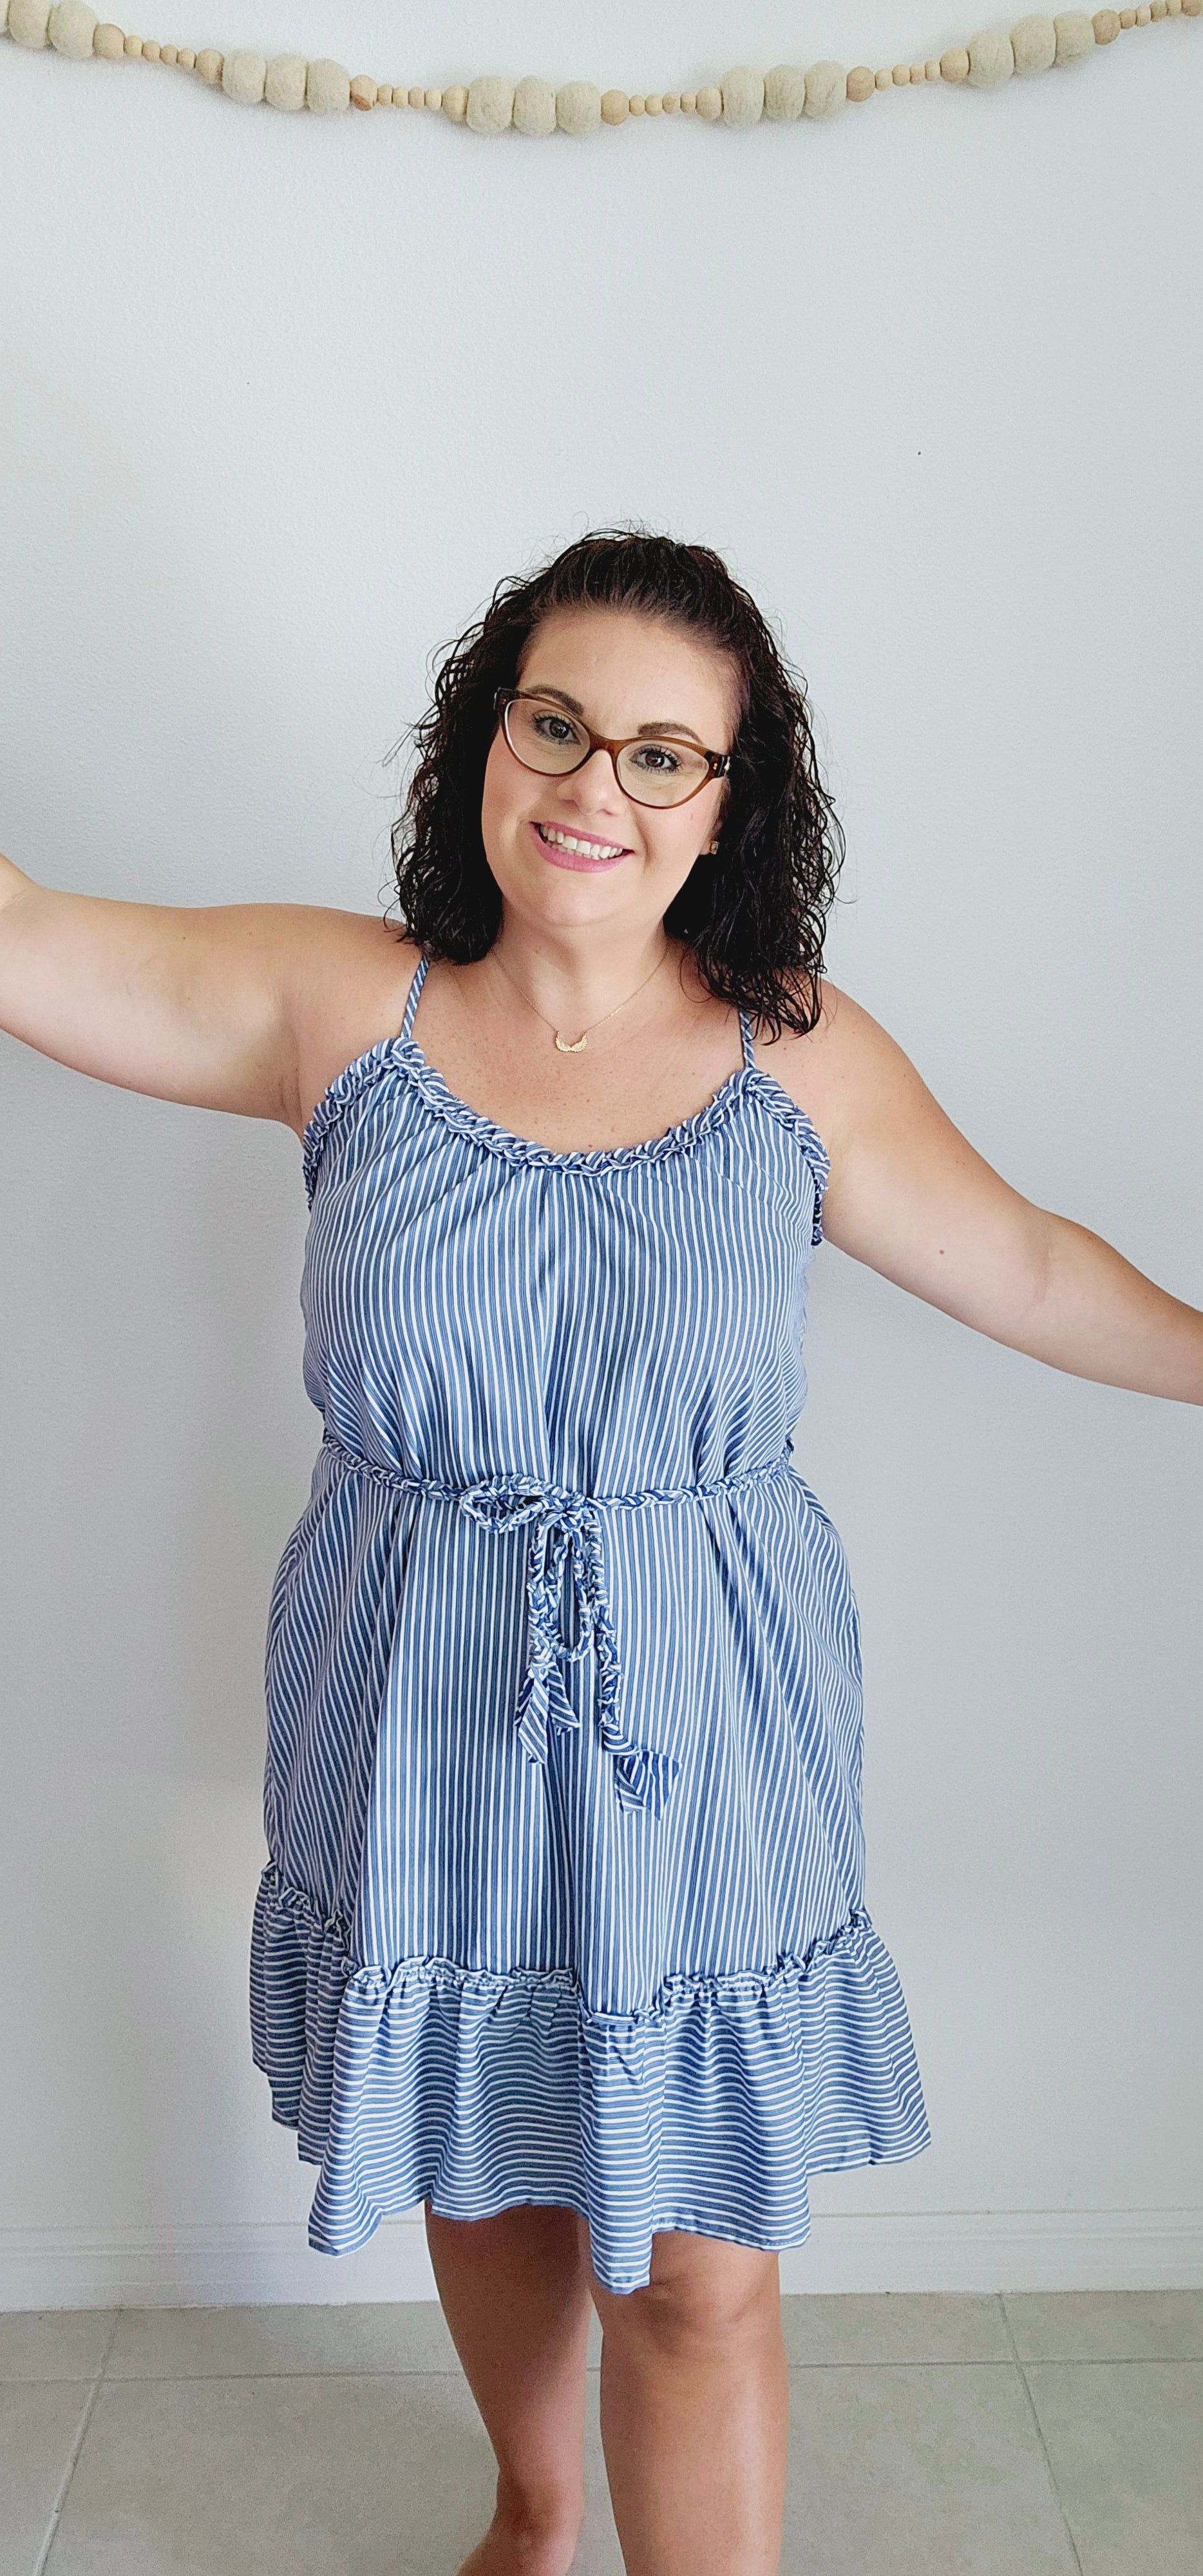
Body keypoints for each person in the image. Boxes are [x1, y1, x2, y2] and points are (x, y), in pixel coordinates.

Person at [1, 527, 1198, 2576]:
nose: (592, 786)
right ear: (487, 738)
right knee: (491, 2161)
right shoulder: (338, 1002)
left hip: (708, 1708)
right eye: (555, 724)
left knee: (697, 2269)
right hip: (408, 1677)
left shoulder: (793, 1055)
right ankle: (534, 2508)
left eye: (663, 754)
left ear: (728, 807)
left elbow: (1019, 1262)